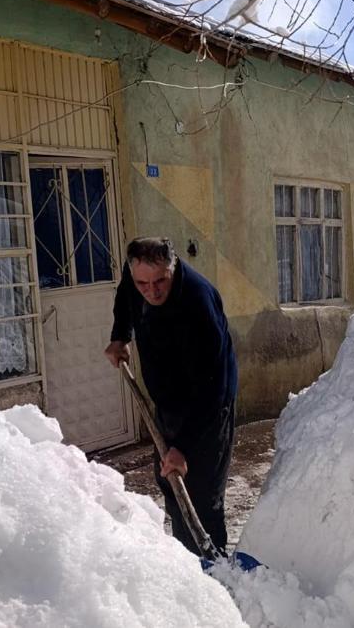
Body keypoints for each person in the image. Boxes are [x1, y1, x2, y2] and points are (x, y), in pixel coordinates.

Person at [104, 237, 238, 555]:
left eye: (160, 280)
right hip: (168, 402)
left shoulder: (198, 302)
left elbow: (213, 389)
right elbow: (125, 294)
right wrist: (120, 335)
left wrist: (185, 447)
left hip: (207, 409)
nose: (152, 291)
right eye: (143, 283)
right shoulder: (135, 277)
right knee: (170, 481)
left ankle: (211, 565)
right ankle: (185, 557)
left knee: (202, 494)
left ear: (173, 266)